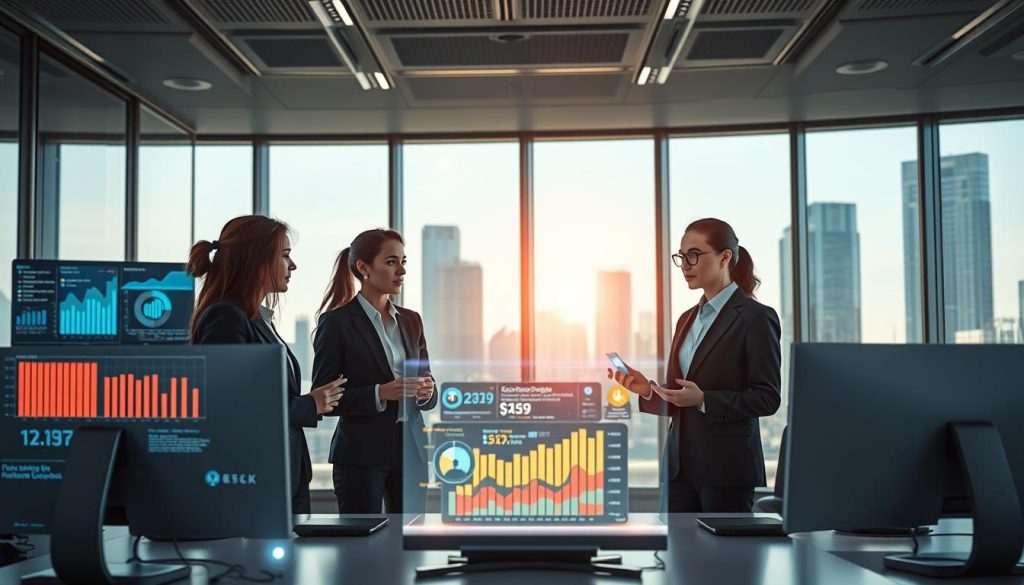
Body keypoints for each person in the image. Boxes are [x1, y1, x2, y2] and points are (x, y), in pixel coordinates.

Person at [608, 218, 781, 513]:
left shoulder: (755, 317)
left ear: (724, 257)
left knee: (721, 545)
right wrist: (647, 390)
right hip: (678, 468)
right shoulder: (686, 319)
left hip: (726, 469)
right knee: (673, 543)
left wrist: (704, 400)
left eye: (694, 255)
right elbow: (680, 397)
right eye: (681, 256)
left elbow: (767, 398)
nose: (685, 265)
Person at [188, 215, 345, 514]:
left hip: (280, 474)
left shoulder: (255, 318)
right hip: (254, 477)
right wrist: (311, 404)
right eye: (285, 256)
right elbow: (232, 405)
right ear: (256, 261)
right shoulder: (226, 317)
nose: (293, 266)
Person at [312, 229, 438, 514]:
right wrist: (380, 393)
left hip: (411, 451)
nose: (401, 270)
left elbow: (428, 384)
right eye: (391, 262)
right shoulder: (336, 323)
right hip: (360, 453)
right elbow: (324, 399)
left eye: (403, 261)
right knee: (360, 535)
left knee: (410, 534)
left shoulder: (412, 321)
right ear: (364, 268)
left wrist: (428, 391)